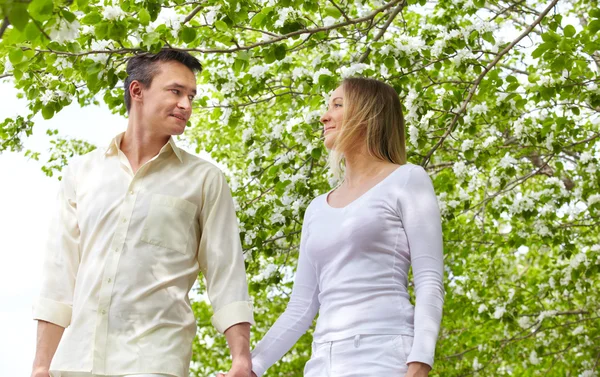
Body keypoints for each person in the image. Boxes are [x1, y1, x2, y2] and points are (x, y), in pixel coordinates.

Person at [30, 49, 254, 377]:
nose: (187, 106)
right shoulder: (82, 172)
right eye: (175, 92)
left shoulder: (204, 179)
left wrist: (241, 359)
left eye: (191, 96)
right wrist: (40, 365)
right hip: (75, 360)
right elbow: (60, 273)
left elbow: (226, 271)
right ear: (137, 91)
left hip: (155, 359)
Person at [249, 78, 444, 377]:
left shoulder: (408, 180)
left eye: (337, 105)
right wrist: (252, 366)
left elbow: (429, 279)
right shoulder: (316, 208)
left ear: (368, 114)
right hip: (323, 362)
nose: (324, 116)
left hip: (384, 356)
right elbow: (301, 306)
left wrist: (419, 363)